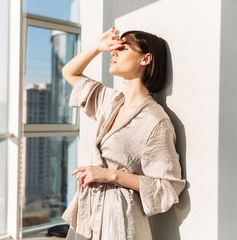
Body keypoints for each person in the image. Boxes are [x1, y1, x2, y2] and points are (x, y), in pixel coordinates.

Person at [61, 27, 186, 240]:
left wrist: (111, 175)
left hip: (119, 219)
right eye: (114, 48)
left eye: (123, 48)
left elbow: (169, 186)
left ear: (146, 59)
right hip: (90, 212)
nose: (114, 52)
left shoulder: (155, 120)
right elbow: (70, 73)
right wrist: (96, 47)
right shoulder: (109, 101)